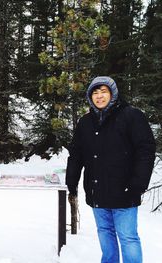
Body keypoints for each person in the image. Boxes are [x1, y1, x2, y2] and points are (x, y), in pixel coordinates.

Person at [66, 76, 156, 263]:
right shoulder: (85, 122)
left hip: (125, 190)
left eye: (103, 92)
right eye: (95, 93)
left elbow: (145, 151)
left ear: (113, 93)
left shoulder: (131, 115)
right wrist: (71, 181)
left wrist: (138, 184)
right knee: (105, 234)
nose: (99, 96)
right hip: (97, 190)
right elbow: (76, 154)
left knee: (128, 237)